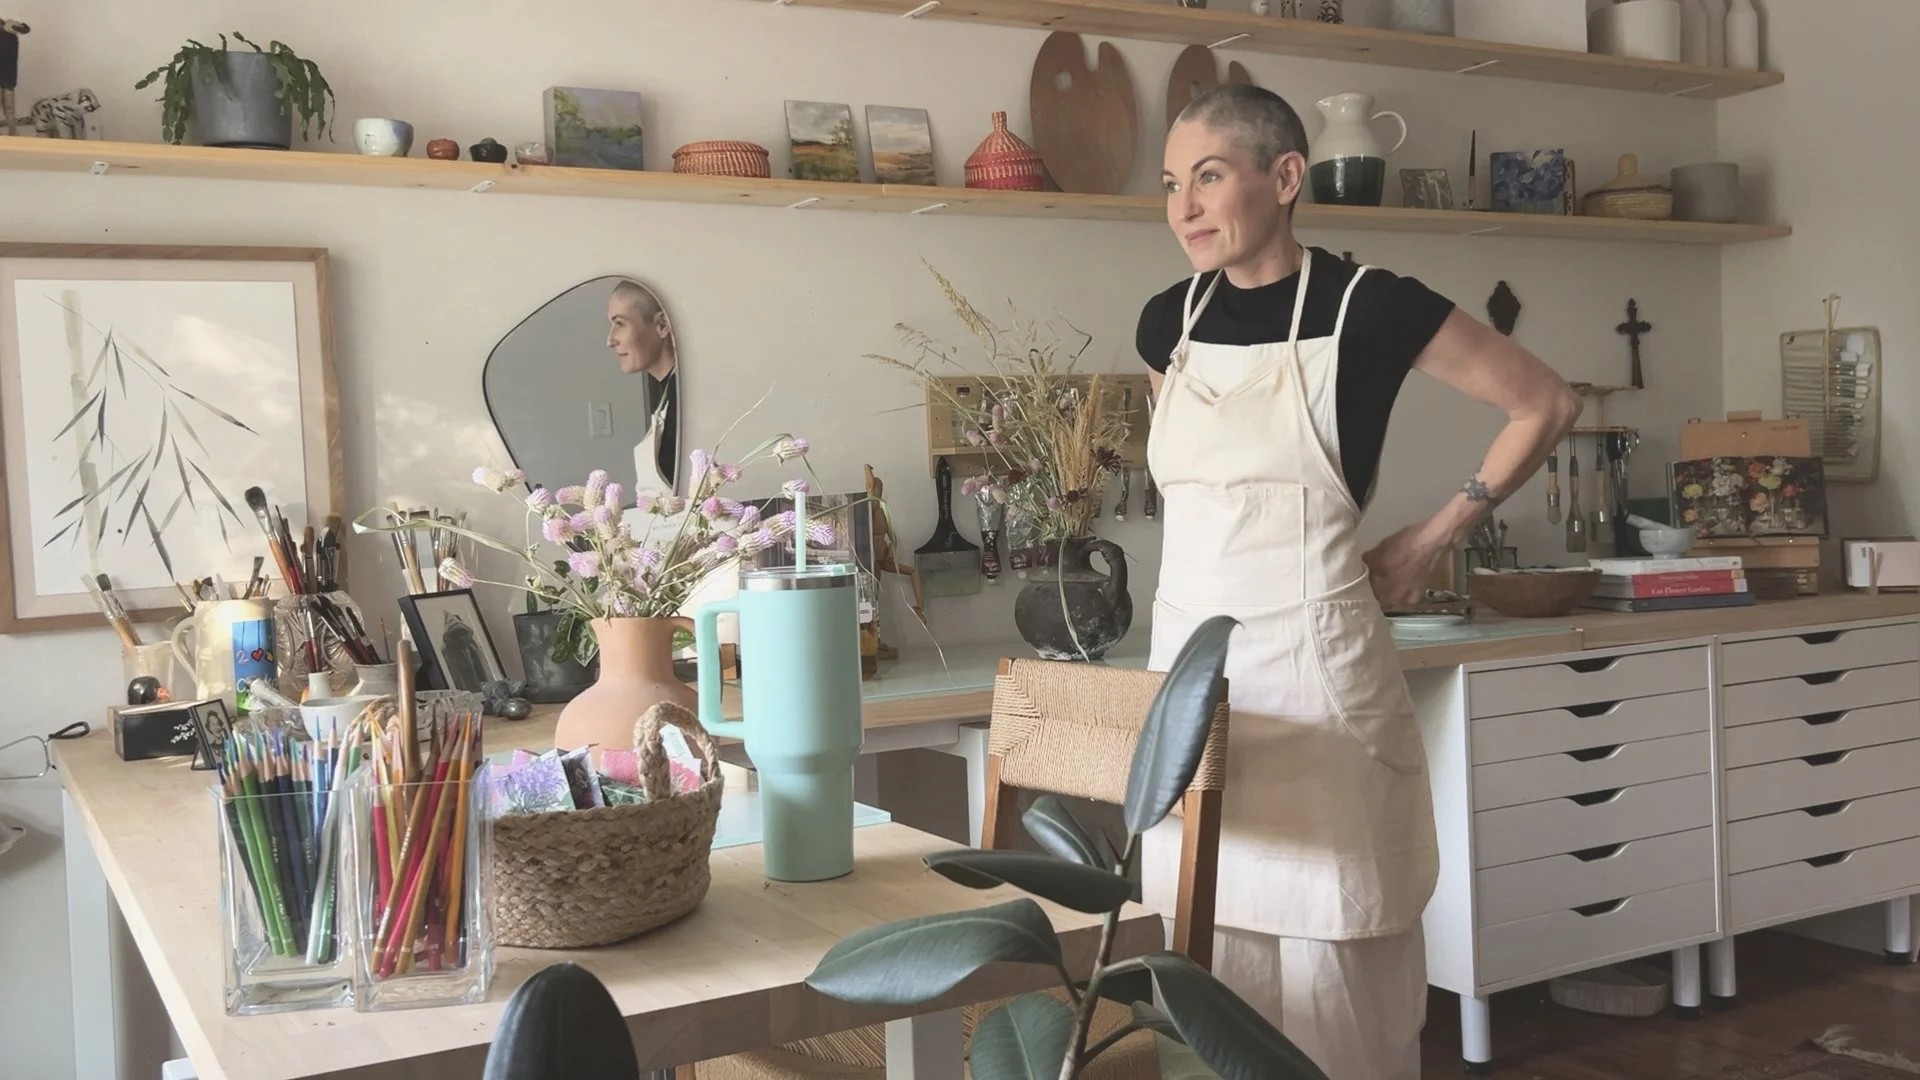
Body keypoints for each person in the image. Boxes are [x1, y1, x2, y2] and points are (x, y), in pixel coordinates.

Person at [1136, 84, 1580, 1078]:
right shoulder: (1164, 322)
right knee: (1201, 961)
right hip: (1190, 687)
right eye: (1172, 184)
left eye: (1209, 176)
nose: (1185, 207)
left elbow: (1544, 402)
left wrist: (1430, 540)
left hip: (1317, 675)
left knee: (1337, 967)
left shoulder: (1369, 305)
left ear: (1285, 177)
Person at [605, 279, 679, 494]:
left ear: (662, 325)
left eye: (619, 323)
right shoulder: (667, 398)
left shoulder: (689, 404)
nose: (610, 340)